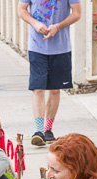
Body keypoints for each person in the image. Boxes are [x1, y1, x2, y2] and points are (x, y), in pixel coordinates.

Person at [18, 0, 81, 147]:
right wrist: (35, 23)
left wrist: (58, 26)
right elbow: (21, 9)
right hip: (36, 47)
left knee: (54, 89)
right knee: (38, 88)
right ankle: (39, 131)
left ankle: (48, 130)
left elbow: (77, 13)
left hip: (61, 48)